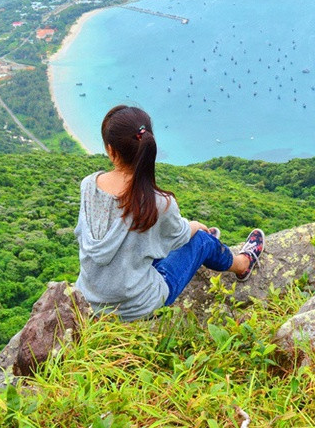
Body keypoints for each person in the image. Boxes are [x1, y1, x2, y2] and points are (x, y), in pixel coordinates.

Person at [74, 104, 264, 320]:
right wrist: (195, 226)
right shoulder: (159, 202)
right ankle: (243, 264)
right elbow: (181, 235)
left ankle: (210, 246)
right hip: (136, 307)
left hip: (90, 298)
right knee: (201, 240)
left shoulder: (88, 185)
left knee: (171, 239)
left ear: (111, 150)